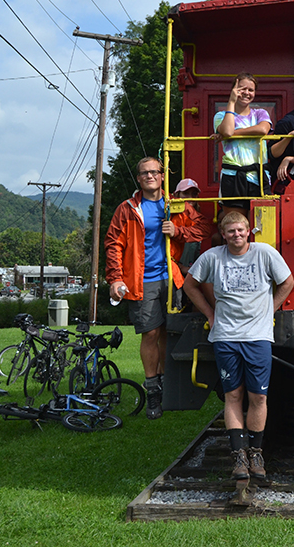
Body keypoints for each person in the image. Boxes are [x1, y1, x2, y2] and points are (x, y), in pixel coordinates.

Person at [183, 211, 294, 483]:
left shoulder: (264, 253)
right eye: (230, 231)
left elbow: (288, 282)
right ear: (223, 234)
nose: (236, 235)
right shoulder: (212, 257)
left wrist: (271, 309)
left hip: (258, 337)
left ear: (249, 231)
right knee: (233, 395)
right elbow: (190, 285)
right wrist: (210, 314)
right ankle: (239, 457)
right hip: (226, 337)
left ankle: (256, 453)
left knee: (258, 397)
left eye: (241, 230)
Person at [105, 156, 183, 419]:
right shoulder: (127, 209)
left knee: (166, 332)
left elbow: (202, 227)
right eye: (144, 173)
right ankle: (153, 392)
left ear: (162, 176)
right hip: (142, 281)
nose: (150, 176)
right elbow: (113, 244)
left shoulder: (175, 203)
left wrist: (179, 231)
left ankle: (166, 387)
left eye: (154, 172)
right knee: (150, 334)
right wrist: (116, 278)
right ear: (138, 179)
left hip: (171, 279)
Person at [214, 72, 273, 220]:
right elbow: (227, 130)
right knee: (235, 225)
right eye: (242, 89)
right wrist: (231, 102)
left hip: (258, 176)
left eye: (251, 90)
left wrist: (232, 134)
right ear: (234, 90)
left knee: (261, 225)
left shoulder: (260, 113)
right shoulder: (221, 116)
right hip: (232, 175)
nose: (246, 93)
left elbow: (262, 130)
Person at [167, 178, 211, 278]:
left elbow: (206, 231)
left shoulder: (198, 217)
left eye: (194, 194)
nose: (190, 198)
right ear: (177, 195)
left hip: (193, 269)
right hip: (175, 269)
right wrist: (180, 267)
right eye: (186, 193)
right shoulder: (172, 215)